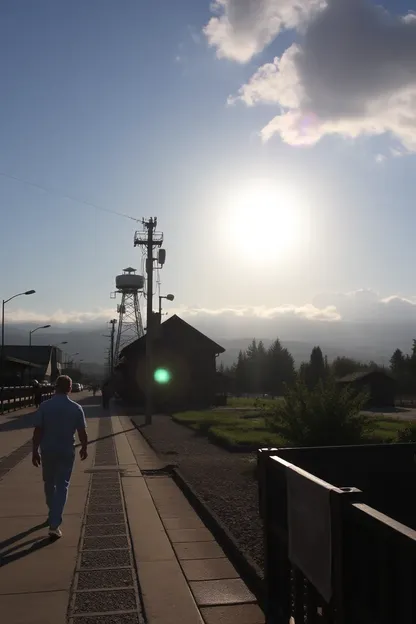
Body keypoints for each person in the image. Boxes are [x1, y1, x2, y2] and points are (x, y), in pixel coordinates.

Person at [32, 375, 88, 538]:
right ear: (70, 388)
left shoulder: (45, 406)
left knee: (49, 483)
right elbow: (82, 432)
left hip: (47, 449)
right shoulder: (76, 408)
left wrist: (35, 450)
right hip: (65, 450)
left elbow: (38, 430)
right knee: (62, 485)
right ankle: (54, 523)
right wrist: (84, 447)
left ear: (55, 387)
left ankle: (52, 512)